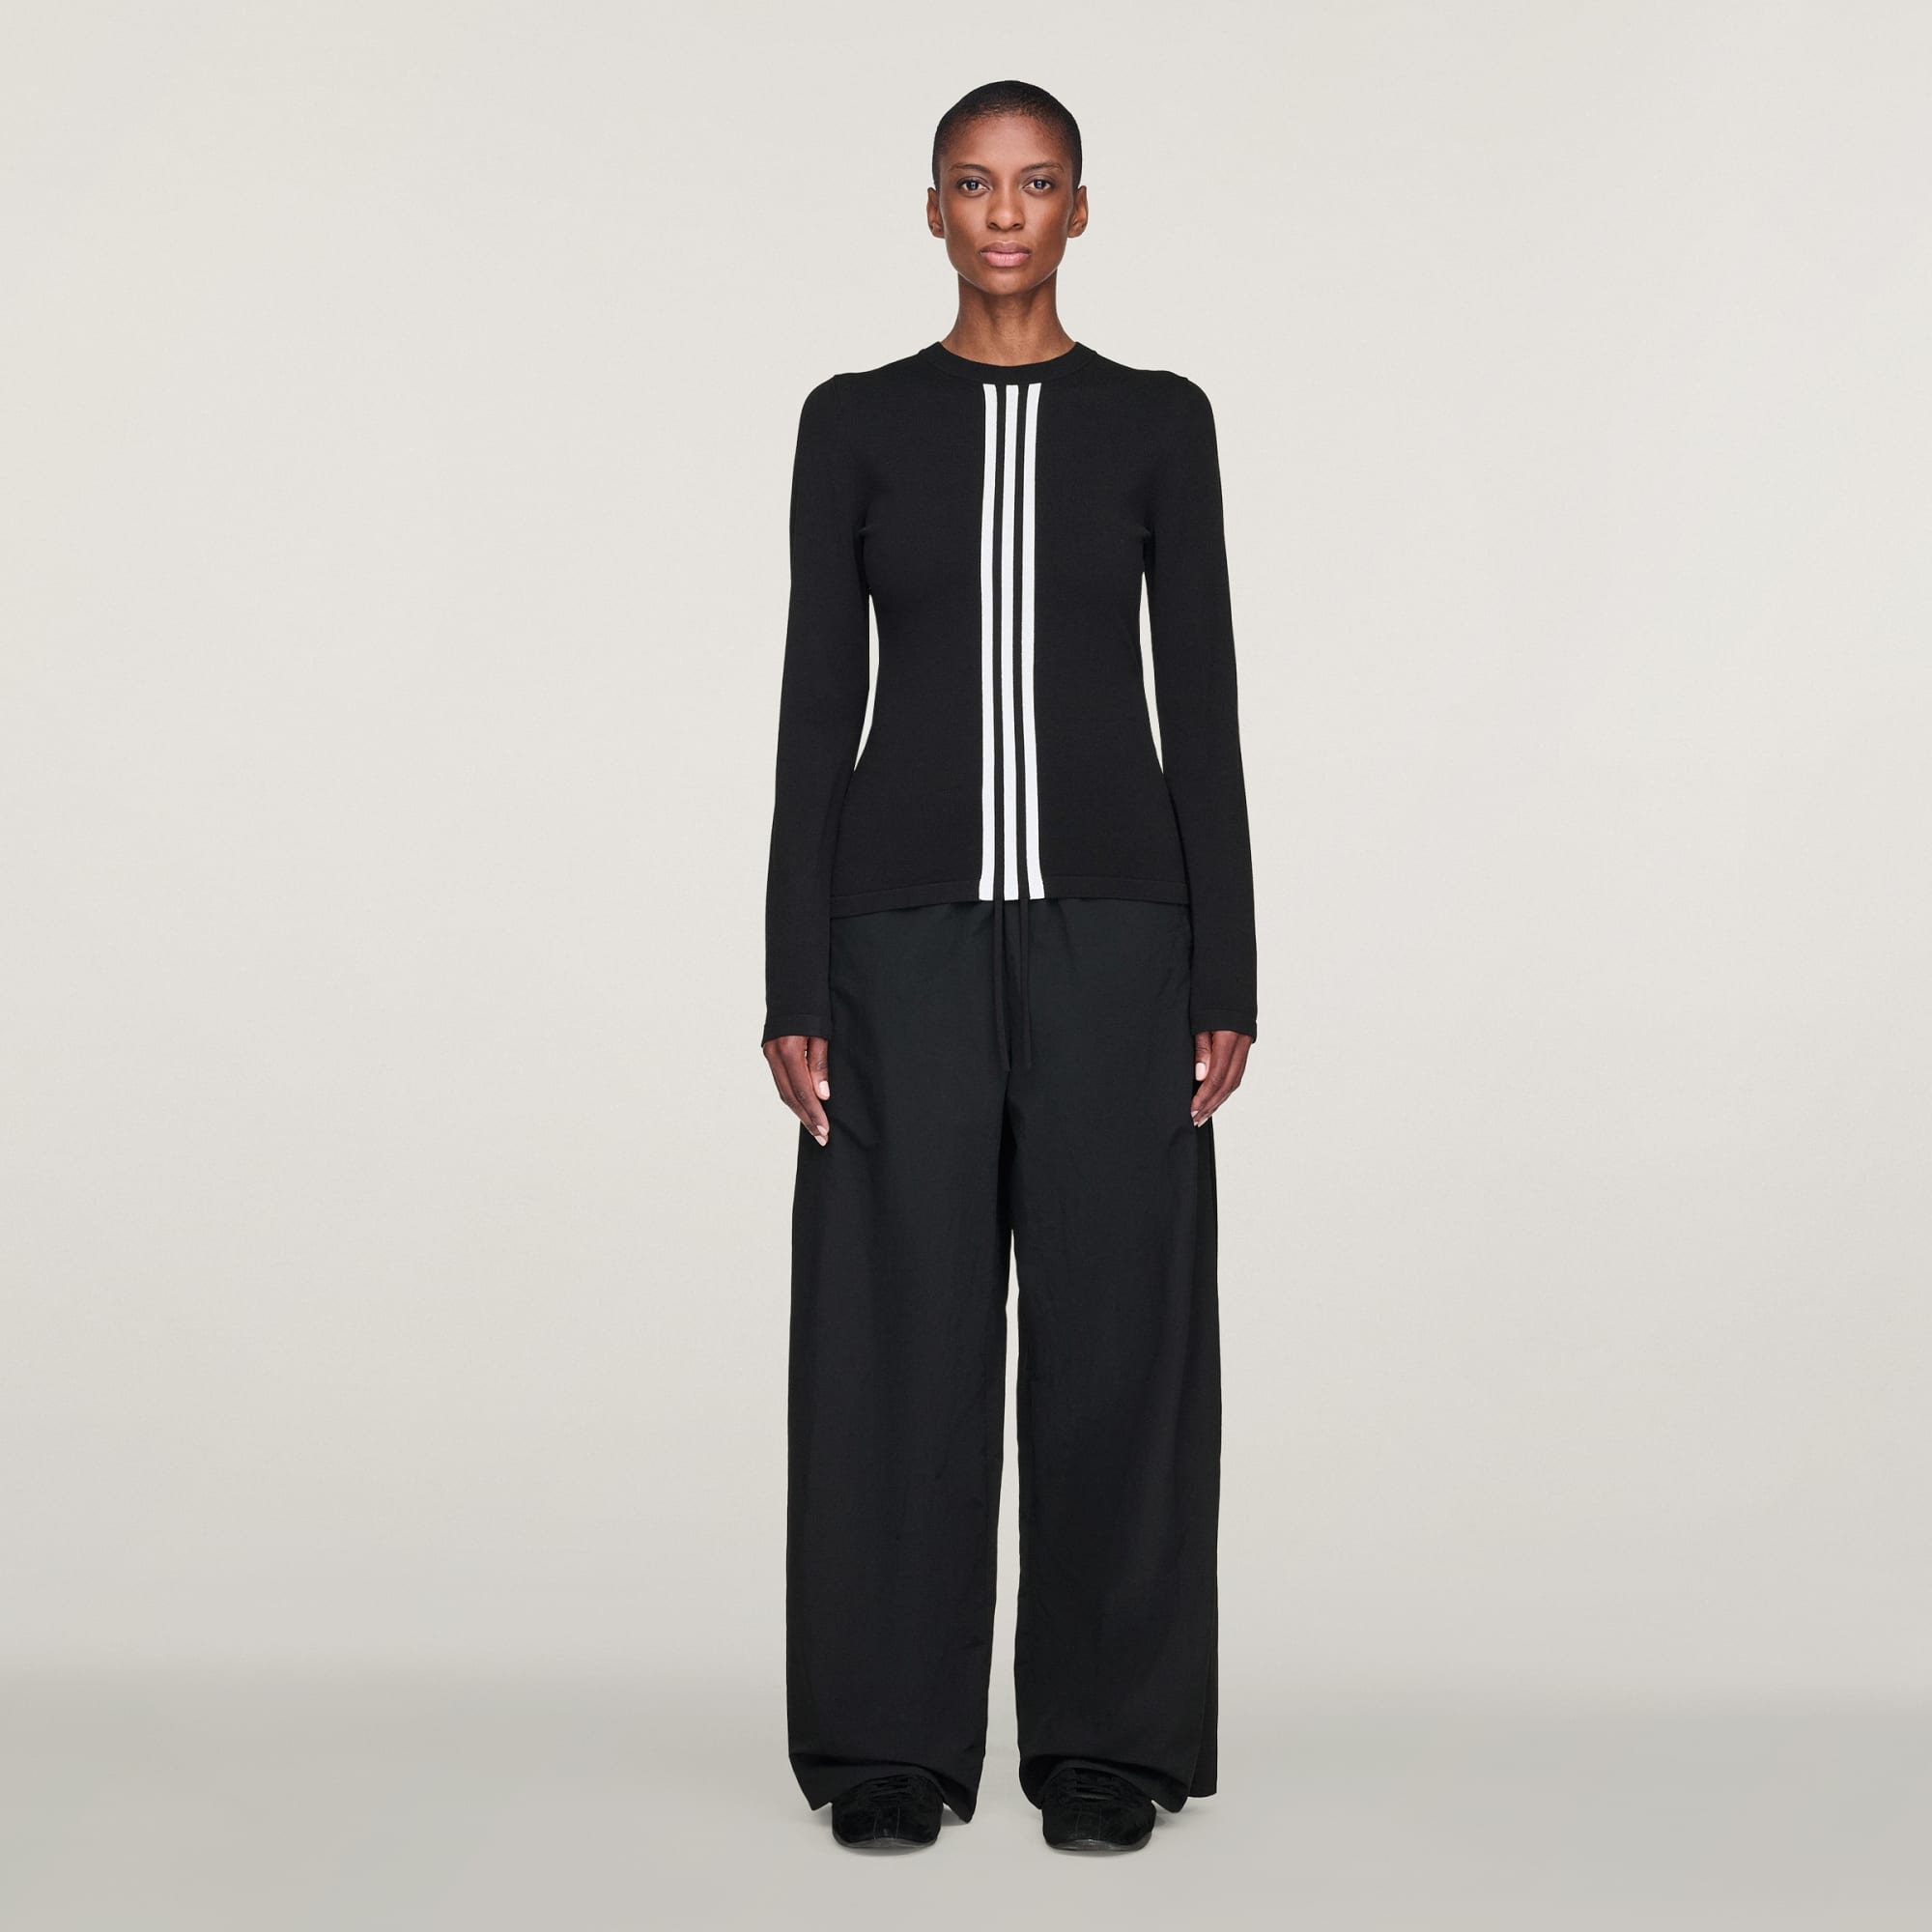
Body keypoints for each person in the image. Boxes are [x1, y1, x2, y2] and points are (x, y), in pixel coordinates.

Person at [760, 78, 1257, 1856]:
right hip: (896, 941)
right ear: (932, 210)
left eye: (1035, 184)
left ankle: (1107, 1742)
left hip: (1123, 939)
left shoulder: (1158, 424)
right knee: (894, 1338)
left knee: (1121, 1331)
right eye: (973, 184)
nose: (1002, 215)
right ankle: (887, 1744)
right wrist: (792, 977)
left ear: (1078, 211)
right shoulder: (855, 424)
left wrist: (1230, 968)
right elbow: (818, 702)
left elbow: (1201, 698)